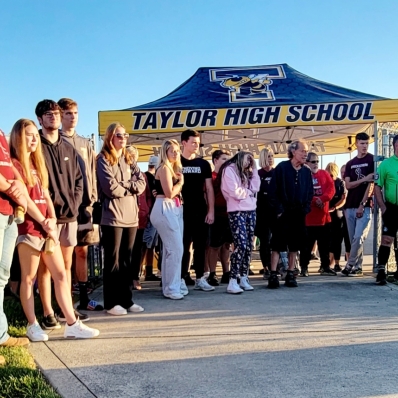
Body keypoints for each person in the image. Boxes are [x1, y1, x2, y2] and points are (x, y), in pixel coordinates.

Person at [9, 119, 99, 340]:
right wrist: (43, 220)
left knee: (60, 274)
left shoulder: (36, 164)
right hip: (29, 228)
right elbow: (25, 199)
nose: (33, 139)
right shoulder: (15, 164)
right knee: (29, 278)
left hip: (48, 228)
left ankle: (71, 322)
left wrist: (51, 218)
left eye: (33, 135)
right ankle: (33, 324)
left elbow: (46, 195)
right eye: (28, 135)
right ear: (19, 137)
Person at [35, 99, 86, 328]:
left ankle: (67, 310)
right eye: (48, 114)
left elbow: (78, 180)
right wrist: (45, 210)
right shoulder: (35, 145)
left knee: (66, 266)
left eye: (56, 113)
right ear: (40, 118)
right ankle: (47, 312)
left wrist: (74, 205)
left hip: (69, 216)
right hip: (46, 217)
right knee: (45, 267)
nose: (53, 117)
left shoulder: (68, 147)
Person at [58, 98, 103, 312]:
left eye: (75, 112)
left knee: (82, 252)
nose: (73, 116)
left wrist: (93, 197)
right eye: (68, 113)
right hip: (64, 207)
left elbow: (92, 173)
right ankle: (63, 300)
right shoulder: (54, 140)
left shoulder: (85, 143)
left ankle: (84, 297)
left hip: (85, 206)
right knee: (62, 254)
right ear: (60, 115)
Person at [96, 123, 145, 315]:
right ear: (110, 137)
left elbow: (141, 184)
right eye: (119, 135)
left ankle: (127, 300)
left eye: (125, 135)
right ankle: (111, 302)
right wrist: (129, 186)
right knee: (113, 260)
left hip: (131, 217)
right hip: (113, 217)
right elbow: (110, 188)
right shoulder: (103, 159)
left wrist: (125, 186)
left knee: (127, 260)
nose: (123, 138)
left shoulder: (129, 159)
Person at [268, 139, 313, 288]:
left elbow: (309, 193)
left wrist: (305, 209)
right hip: (283, 213)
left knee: (294, 246)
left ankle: (290, 273)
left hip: (299, 213)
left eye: (306, 151)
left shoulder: (306, 171)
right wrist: (279, 211)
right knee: (277, 244)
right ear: (293, 151)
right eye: (302, 151)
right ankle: (273, 274)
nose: (305, 154)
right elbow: (273, 191)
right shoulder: (282, 168)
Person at [0, 127, 30, 351]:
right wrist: (13, 189)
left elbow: (8, 164)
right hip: (5, 203)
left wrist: (19, 182)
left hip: (8, 210)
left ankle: (1, 334)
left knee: (2, 275)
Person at [180, 129, 215, 292]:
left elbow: (209, 188)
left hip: (200, 209)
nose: (196, 145)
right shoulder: (176, 161)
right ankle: (180, 277)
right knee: (183, 245)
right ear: (184, 143)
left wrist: (211, 211)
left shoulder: (204, 164)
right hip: (180, 210)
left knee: (201, 245)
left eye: (198, 142)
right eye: (193, 142)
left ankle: (200, 278)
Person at [220, 151, 260, 294]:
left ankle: (244, 276)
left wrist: (254, 169)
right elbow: (235, 192)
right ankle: (232, 279)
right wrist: (248, 192)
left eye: (251, 161)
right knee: (241, 244)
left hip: (251, 210)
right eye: (247, 160)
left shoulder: (248, 171)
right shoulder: (229, 170)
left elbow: (256, 187)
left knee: (249, 245)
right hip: (236, 211)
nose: (249, 163)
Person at [150, 139, 185, 299]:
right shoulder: (164, 168)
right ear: (165, 152)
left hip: (174, 208)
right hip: (165, 207)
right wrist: (181, 183)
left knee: (172, 249)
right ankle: (171, 288)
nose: (176, 154)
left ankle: (172, 285)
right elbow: (170, 192)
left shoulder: (171, 168)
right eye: (173, 151)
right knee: (175, 249)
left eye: (177, 151)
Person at [342, 132, 374, 277]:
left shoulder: (372, 160)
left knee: (358, 237)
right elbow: (348, 185)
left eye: (366, 143)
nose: (364, 146)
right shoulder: (350, 163)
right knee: (353, 239)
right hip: (349, 206)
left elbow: (371, 185)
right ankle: (358, 266)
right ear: (356, 144)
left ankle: (350, 264)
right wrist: (364, 179)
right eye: (362, 143)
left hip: (364, 206)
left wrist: (363, 203)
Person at [299, 153, 335, 277]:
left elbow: (331, 188)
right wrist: (316, 200)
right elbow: (302, 193)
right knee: (306, 246)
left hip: (323, 218)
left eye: (317, 161)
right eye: (313, 162)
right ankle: (304, 267)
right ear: (306, 163)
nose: (316, 164)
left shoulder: (324, 174)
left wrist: (323, 199)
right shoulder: (303, 175)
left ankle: (325, 266)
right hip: (309, 218)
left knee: (324, 245)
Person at [126, 146, 152, 290]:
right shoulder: (122, 173)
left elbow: (148, 195)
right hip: (126, 217)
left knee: (137, 249)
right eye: (130, 155)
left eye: (134, 156)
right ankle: (125, 279)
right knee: (126, 249)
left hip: (141, 218)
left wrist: (147, 209)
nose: (132, 158)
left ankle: (135, 278)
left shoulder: (143, 175)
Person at [374, 135, 398, 285]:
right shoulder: (385, 165)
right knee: (387, 239)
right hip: (391, 208)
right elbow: (377, 186)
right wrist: (383, 206)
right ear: (394, 145)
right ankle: (381, 271)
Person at [206, 149, 232, 286]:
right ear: (215, 160)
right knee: (214, 246)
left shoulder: (230, 176)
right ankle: (212, 273)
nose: (226, 162)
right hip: (216, 214)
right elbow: (206, 195)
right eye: (223, 159)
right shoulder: (211, 177)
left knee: (226, 245)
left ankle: (226, 272)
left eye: (228, 159)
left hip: (229, 213)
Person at [255, 147, 275, 279]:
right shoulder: (257, 174)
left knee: (277, 240)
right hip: (261, 212)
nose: (271, 158)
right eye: (268, 156)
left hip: (276, 211)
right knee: (265, 241)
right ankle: (266, 267)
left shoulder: (277, 172)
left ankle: (277, 265)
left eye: (272, 156)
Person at [325, 162, 347, 272]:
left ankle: (337, 263)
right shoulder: (325, 183)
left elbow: (343, 198)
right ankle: (326, 263)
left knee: (337, 240)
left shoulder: (340, 183)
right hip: (326, 214)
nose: (330, 177)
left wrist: (335, 207)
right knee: (327, 240)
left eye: (331, 175)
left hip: (337, 214)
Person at [143, 155, 160, 281]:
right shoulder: (148, 177)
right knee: (145, 244)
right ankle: (140, 272)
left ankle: (148, 271)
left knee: (151, 245)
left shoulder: (150, 177)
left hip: (152, 213)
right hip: (149, 214)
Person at [340, 164, 351, 261]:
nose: (343, 174)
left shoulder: (350, 185)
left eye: (345, 172)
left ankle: (349, 260)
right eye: (342, 172)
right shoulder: (339, 184)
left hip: (349, 214)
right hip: (339, 214)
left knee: (348, 239)